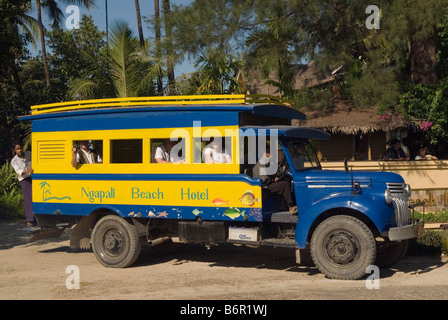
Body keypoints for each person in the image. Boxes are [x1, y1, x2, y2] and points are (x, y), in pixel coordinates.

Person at [252, 147, 297, 214]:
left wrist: (281, 171)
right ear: (266, 153)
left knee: (286, 181)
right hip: (264, 187)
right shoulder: (261, 164)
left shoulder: (267, 163)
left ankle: (284, 205)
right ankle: (290, 206)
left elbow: (274, 172)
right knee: (285, 184)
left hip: (267, 184)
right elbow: (265, 180)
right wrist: (274, 179)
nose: (272, 153)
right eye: (270, 152)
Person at [11, 144, 35, 226]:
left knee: (36, 197)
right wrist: (28, 170)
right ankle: (30, 219)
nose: (20, 150)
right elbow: (19, 171)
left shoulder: (29, 153)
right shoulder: (14, 161)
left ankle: (37, 216)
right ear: (15, 150)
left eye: (20, 148)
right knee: (28, 199)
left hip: (33, 177)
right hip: (24, 179)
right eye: (17, 149)